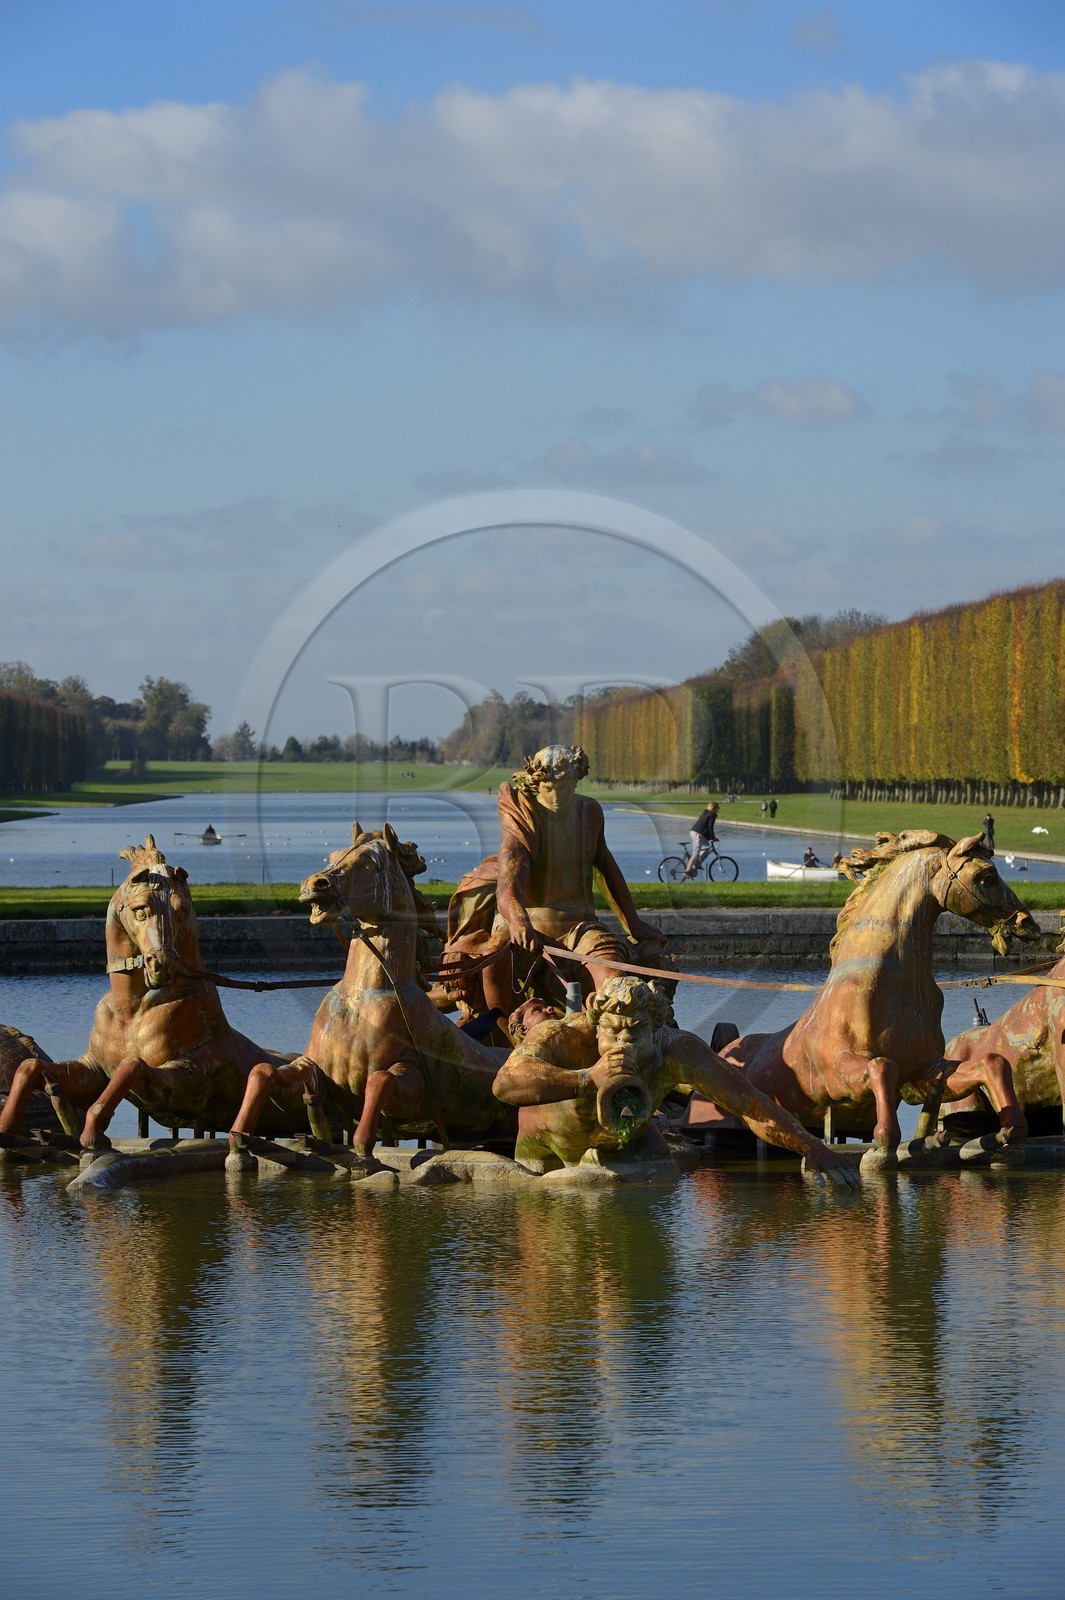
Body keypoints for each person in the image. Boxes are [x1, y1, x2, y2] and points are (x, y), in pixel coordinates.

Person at [492, 975, 859, 1185]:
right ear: (594, 1027)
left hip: (626, 1143)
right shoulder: (566, 1035)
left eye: (635, 1032)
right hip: (550, 1147)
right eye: (613, 1032)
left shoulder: (677, 1050)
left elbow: (749, 1105)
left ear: (658, 1029)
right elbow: (505, 1084)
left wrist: (811, 1146)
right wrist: (588, 1077)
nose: (622, 1042)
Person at [484, 745, 664, 1012]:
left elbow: (605, 868)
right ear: (537, 782)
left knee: (613, 979)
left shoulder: (589, 812)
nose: (558, 796)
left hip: (582, 927)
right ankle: (501, 1036)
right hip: (532, 926)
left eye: (566, 787)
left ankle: (607, 1041)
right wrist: (519, 920)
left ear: (577, 780)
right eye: (549, 787)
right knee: (493, 964)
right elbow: (508, 883)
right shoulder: (525, 816)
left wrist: (633, 922)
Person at [684, 801, 719, 878]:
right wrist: (713, 837)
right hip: (697, 834)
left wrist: (711, 837)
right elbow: (710, 827)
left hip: (696, 833)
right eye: (718, 808)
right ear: (714, 808)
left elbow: (706, 828)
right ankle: (687, 870)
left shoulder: (706, 813)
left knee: (707, 848)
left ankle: (697, 863)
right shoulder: (712, 815)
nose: (718, 809)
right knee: (696, 853)